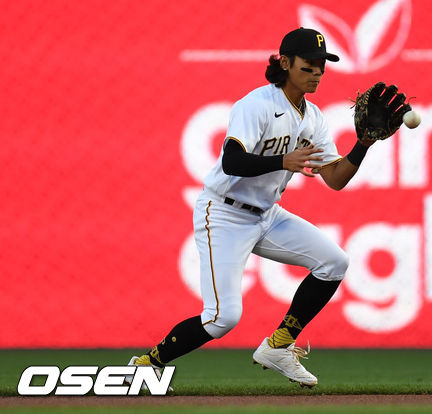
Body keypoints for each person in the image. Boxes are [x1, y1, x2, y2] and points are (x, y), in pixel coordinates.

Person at [127, 27, 378, 388]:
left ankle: (279, 346)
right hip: (224, 213)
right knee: (221, 319)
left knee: (334, 262)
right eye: (309, 65)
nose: (318, 73)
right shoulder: (258, 104)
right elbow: (232, 161)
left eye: (323, 66)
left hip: (266, 214)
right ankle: (147, 363)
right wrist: (282, 161)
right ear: (285, 63)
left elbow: (335, 178)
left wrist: (362, 145)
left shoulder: (314, 118)